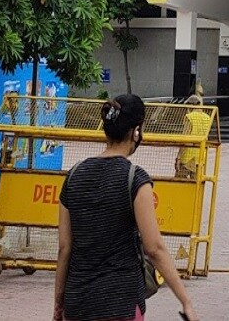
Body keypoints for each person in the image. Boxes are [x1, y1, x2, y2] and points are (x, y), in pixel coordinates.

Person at [55, 94, 199, 321]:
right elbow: (155, 249)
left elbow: (65, 248)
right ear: (136, 131)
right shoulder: (135, 179)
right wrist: (185, 301)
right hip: (120, 302)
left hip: (78, 302)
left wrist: (59, 302)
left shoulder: (73, 176)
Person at [175, 94, 213, 179]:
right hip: (200, 158)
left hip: (187, 158)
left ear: (190, 105)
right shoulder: (207, 117)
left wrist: (178, 157)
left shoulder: (189, 117)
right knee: (196, 186)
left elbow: (185, 139)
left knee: (179, 183)